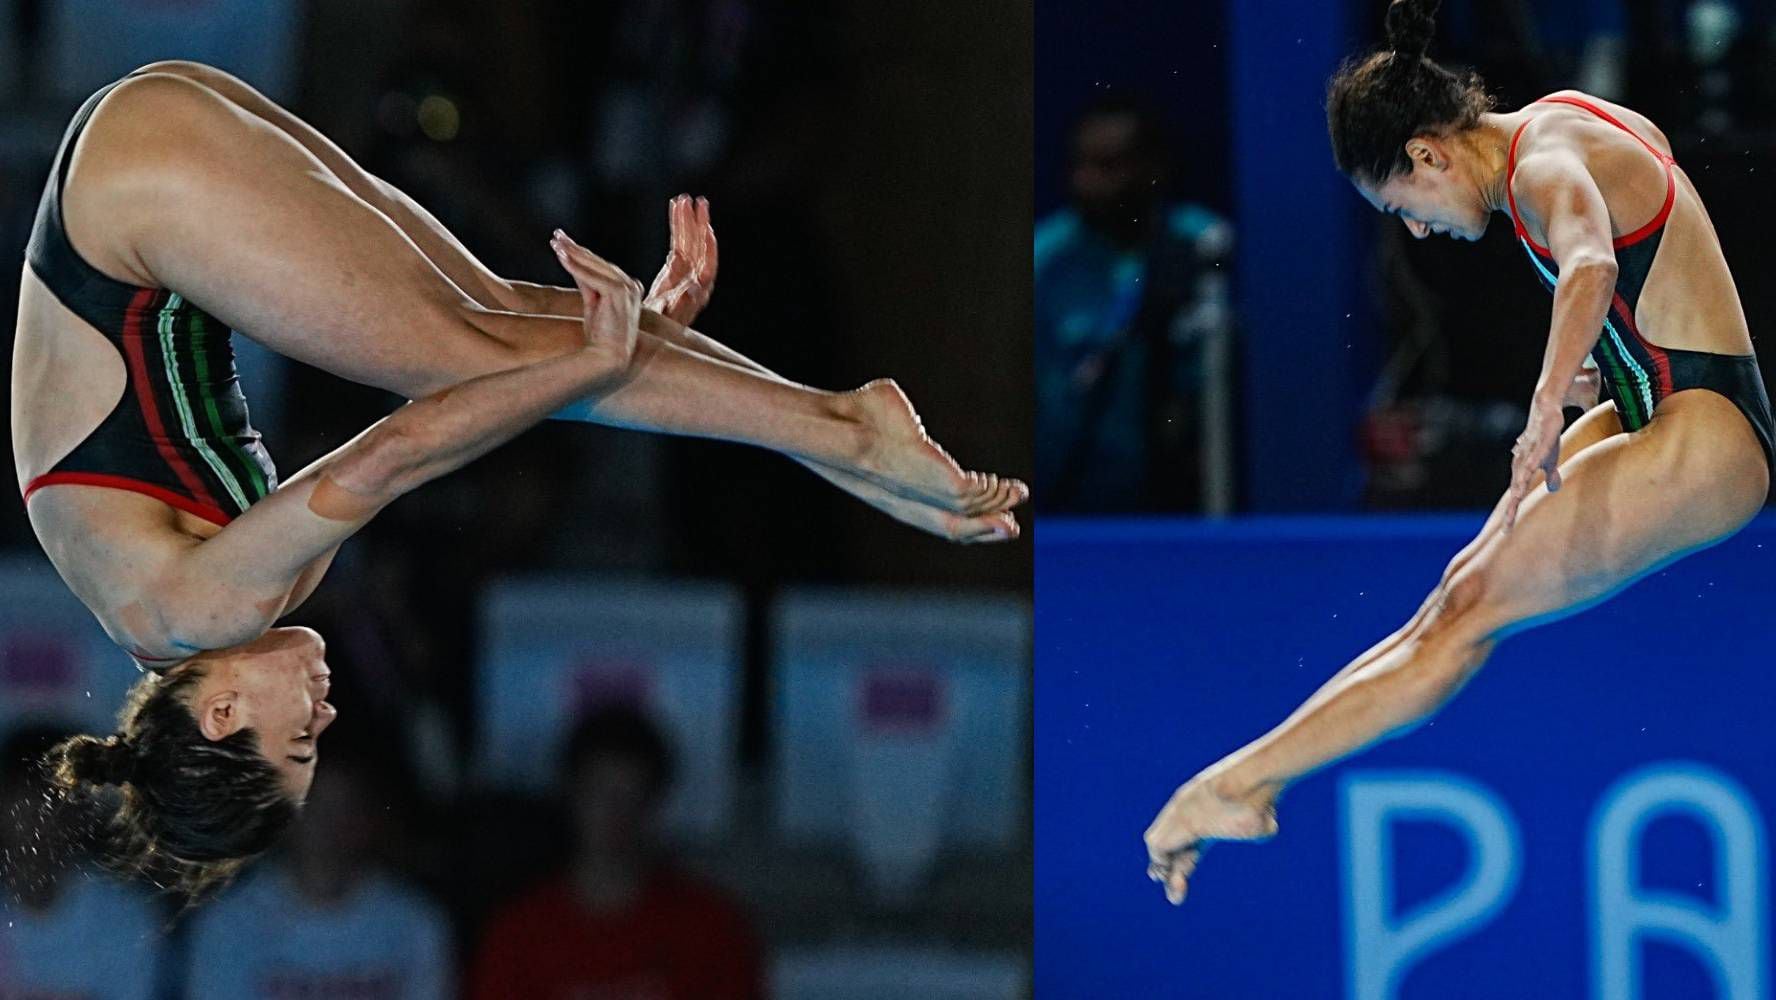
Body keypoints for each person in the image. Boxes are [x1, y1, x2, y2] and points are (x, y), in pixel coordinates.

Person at [13, 61, 1025, 898]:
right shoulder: (227, 603)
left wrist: (592, 364)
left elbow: (399, 445)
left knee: (474, 354)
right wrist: (628, 348)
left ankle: (847, 434)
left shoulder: (199, 605)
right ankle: (838, 435)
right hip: (138, 151)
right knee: (492, 322)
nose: (325, 718)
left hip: (133, 199)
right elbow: (488, 384)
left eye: (299, 743)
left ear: (222, 716)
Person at [1143, 0, 1774, 905]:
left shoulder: (1542, 164)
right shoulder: (1565, 122)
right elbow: (1650, 238)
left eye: (1400, 204)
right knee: (1457, 598)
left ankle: (1232, 786)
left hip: (1703, 434)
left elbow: (1594, 264)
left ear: (1429, 153)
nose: (1415, 229)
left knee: (1468, 618)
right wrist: (1609, 356)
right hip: (1666, 408)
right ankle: (1243, 781)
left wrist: (1548, 403)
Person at [468, 704, 762, 1000]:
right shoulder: (519, 935)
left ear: (657, 803)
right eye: (602, 795)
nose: (618, 817)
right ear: (572, 797)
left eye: (635, 798)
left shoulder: (712, 928)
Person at [1034, 93, 1232, 511]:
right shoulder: (1046, 258)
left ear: (1152, 169)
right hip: (1069, 496)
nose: (1087, 182)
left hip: (1176, 499)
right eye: (1081, 165)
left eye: (1108, 166)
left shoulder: (1201, 245)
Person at [184, 749, 452, 1000]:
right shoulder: (229, 925)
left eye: (344, 809)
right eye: (316, 808)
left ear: (367, 820)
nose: (329, 827)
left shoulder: (413, 922)